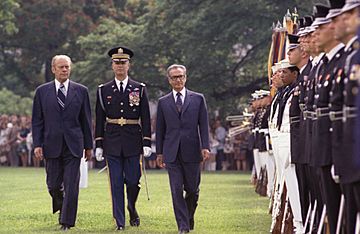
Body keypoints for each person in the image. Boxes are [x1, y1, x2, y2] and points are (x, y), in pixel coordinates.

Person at [31, 54, 93, 231]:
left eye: (67, 67)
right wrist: (37, 144)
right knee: (53, 185)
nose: (65, 70)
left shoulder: (81, 91)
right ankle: (61, 205)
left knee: (72, 185)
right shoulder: (41, 92)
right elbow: (37, 120)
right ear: (53, 69)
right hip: (51, 144)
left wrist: (88, 146)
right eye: (61, 67)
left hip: (74, 145)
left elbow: (86, 120)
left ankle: (67, 221)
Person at [94, 46, 152, 231]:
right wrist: (99, 144)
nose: (120, 66)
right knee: (116, 182)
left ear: (129, 65)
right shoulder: (104, 90)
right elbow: (99, 118)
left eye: (123, 62)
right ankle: (120, 221)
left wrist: (147, 142)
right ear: (112, 65)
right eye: (116, 63)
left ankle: (132, 207)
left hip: (133, 141)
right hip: (112, 141)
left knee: (134, 181)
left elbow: (146, 116)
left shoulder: (139, 88)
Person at [156, 64, 210, 234]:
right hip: (171, 152)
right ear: (169, 80)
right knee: (176, 189)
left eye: (180, 76)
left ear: (185, 77)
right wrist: (159, 152)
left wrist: (205, 146)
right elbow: (160, 129)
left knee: (192, 190)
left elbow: (204, 124)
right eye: (174, 77)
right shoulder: (163, 102)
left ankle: (188, 216)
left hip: (192, 150)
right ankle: (183, 226)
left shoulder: (198, 98)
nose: (178, 80)